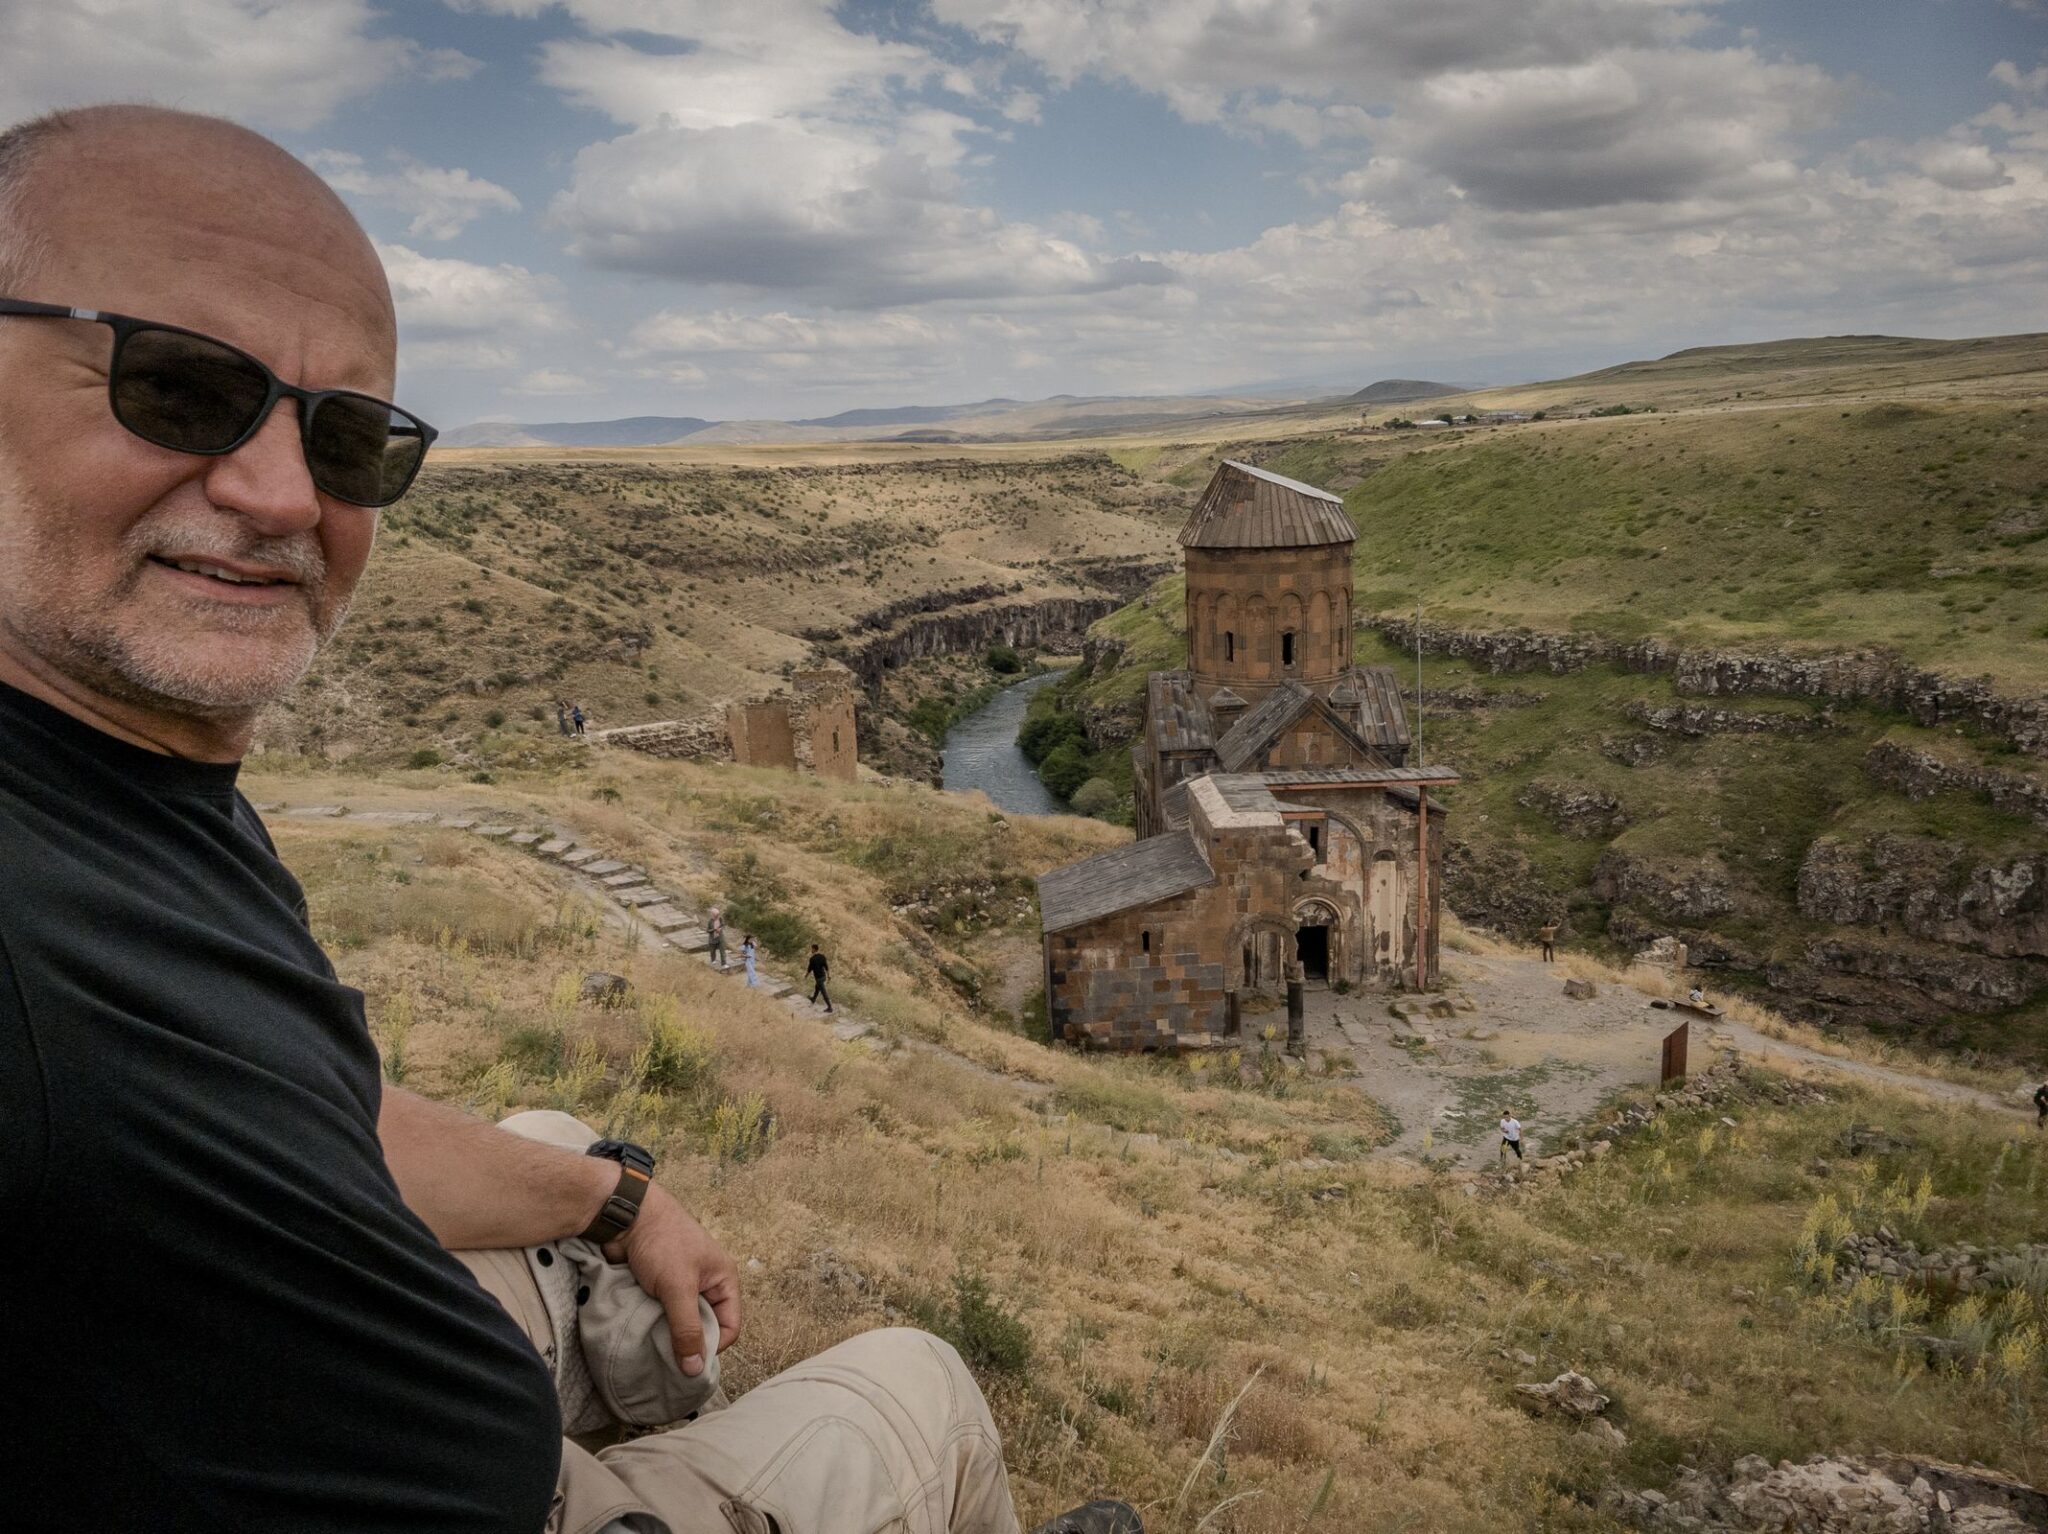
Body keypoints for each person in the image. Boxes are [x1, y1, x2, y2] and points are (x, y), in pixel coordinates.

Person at [0, 104, 1136, 1534]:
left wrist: (617, 1199)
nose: (282, 492)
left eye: (349, 437)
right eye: (174, 387)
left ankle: (671, 1385)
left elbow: (299, 1121)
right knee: (922, 1383)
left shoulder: (118, 791)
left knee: (552, 1136)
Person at [807, 942, 833, 1012]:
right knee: (817, 988)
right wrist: (828, 975)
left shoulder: (812, 959)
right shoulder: (822, 956)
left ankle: (830, 1007)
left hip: (819, 978)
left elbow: (809, 969)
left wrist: (806, 976)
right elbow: (826, 967)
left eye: (812, 949)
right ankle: (813, 999)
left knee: (824, 993)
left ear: (814, 949)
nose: (811, 950)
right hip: (823, 976)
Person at [706, 905, 726, 970]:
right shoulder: (710, 921)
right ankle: (713, 960)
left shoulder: (720, 919)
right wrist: (714, 929)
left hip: (720, 938)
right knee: (712, 951)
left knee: (722, 951)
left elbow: (723, 925)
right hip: (713, 939)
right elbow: (707, 930)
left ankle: (724, 964)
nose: (718, 915)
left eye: (718, 914)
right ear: (713, 914)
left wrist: (720, 929)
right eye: (716, 915)